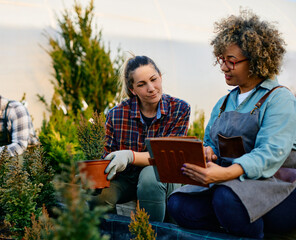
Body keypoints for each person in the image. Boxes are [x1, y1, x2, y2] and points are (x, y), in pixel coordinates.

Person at [167, 10, 296, 239]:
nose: (224, 67)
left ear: (256, 61)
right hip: (230, 184)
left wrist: (225, 174)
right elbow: (211, 144)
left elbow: (270, 153)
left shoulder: (279, 98)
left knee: (225, 199)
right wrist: (208, 153)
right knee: (178, 203)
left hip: (277, 188)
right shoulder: (224, 103)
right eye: (221, 60)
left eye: (232, 61)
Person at [90, 55, 191, 222]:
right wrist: (93, 174)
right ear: (132, 90)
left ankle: (150, 233)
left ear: (160, 76)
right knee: (99, 199)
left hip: (163, 177)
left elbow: (168, 157)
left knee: (150, 177)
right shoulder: (117, 114)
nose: (151, 88)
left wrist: (130, 156)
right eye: (142, 84)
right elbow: (106, 154)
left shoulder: (179, 109)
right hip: (126, 178)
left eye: (154, 79)